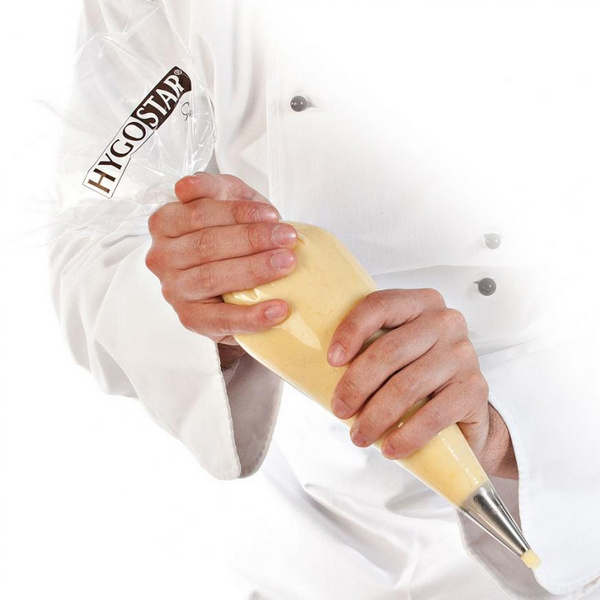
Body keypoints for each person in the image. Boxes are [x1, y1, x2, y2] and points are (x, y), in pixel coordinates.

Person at [49, 1, 600, 598]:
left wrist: (509, 437)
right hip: (313, 536)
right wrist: (205, 302)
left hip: (563, 483)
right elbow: (89, 243)